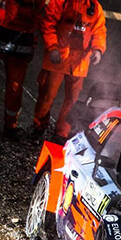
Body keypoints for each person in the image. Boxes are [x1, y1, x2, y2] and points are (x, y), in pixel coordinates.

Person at [33, 0, 106, 142]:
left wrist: (98, 50)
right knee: (46, 96)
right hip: (58, 58)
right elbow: (48, 24)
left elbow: (99, 31)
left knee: (72, 100)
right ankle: (38, 128)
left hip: (79, 62)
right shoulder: (60, 2)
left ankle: (62, 133)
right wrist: (52, 47)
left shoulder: (95, 7)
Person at [0, 0, 44, 140]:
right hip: (9, 33)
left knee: (14, 87)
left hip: (22, 40)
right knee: (14, 87)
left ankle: (10, 127)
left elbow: (39, 17)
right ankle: (10, 127)